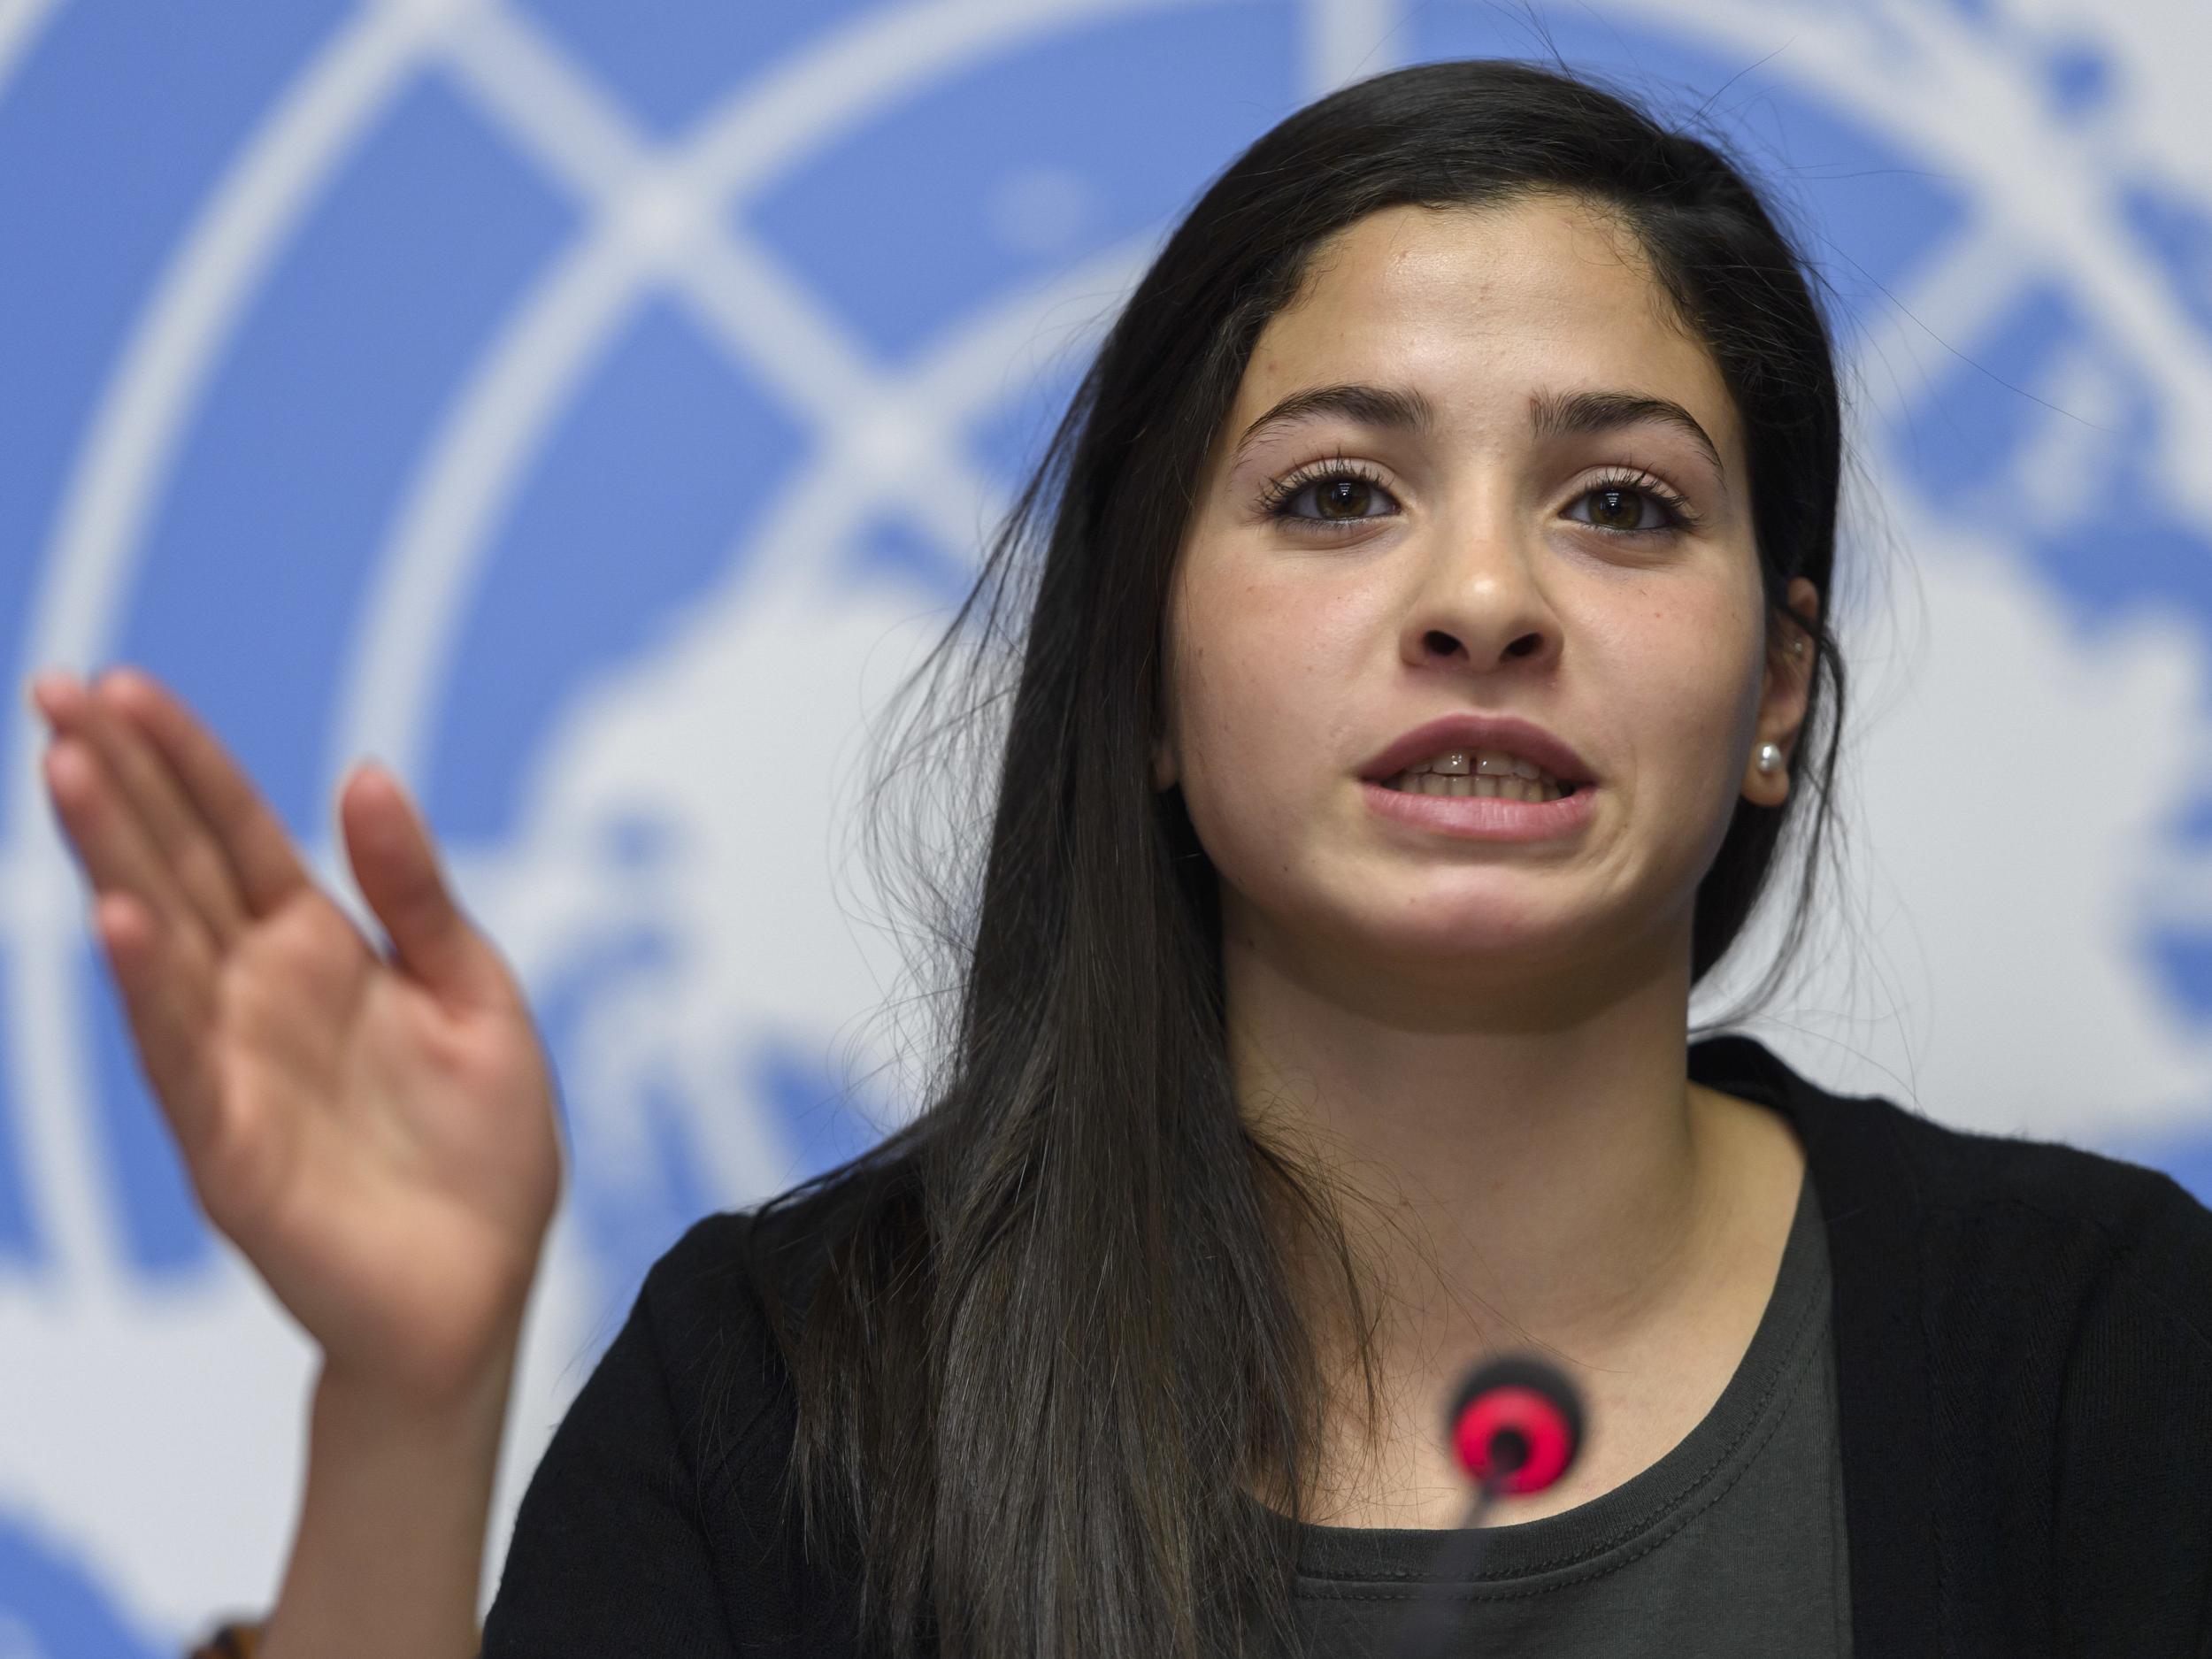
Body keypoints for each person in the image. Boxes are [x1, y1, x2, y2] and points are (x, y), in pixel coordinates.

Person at [28, 56, 2212, 1659]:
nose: (1481, 599)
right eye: (1336, 493)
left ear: (1775, 687)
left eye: (1620, 503)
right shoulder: (784, 1391)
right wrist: (410, 1407)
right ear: (1146, 675)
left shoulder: (2093, 1350)